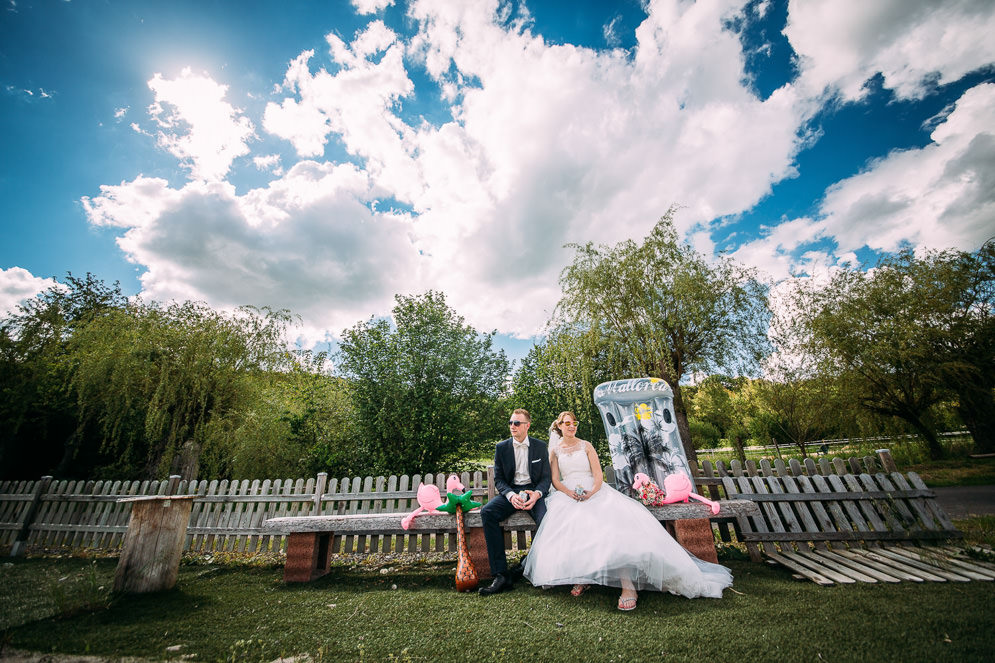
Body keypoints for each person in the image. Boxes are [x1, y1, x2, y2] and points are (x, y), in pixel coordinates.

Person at [523, 411, 732, 610]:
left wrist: (590, 493)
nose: (571, 427)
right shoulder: (555, 450)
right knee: (571, 527)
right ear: (559, 426)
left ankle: (628, 585)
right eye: (567, 423)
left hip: (594, 492)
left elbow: (598, 477)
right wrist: (570, 494)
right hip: (568, 494)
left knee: (611, 529)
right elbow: (555, 480)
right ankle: (581, 577)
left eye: (574, 423)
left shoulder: (586, 446)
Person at [478, 409, 552, 596]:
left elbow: (546, 478)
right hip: (512, 493)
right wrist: (510, 495)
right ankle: (501, 574)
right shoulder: (501, 447)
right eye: (511, 423)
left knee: (546, 519)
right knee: (487, 512)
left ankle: (528, 563)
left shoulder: (540, 446)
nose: (512, 426)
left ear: (527, 426)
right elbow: (500, 479)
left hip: (533, 491)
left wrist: (536, 494)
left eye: (517, 423)